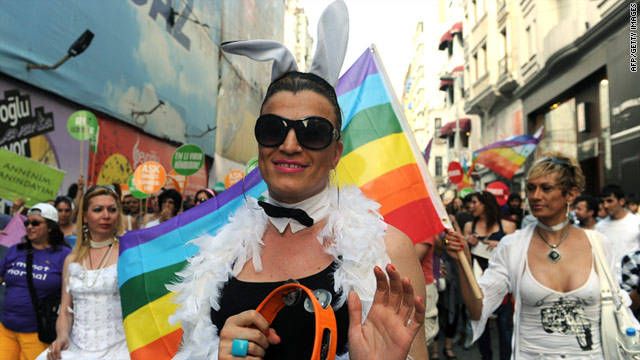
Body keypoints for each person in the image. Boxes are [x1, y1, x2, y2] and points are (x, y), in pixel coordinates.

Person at [169, 4, 427, 357]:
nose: (290, 145)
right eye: (273, 129)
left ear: (336, 152)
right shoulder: (217, 251)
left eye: (313, 133)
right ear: (259, 142)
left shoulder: (391, 250)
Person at [446, 152, 626, 359]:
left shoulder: (599, 244)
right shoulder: (512, 245)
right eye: (531, 188)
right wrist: (464, 261)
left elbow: (618, 306)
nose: (535, 196)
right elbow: (478, 309)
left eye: (546, 188)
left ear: (571, 194)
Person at [40, 185, 129, 360]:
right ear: (85, 217)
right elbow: (65, 311)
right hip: (76, 349)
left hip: (120, 349)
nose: (106, 215)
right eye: (98, 210)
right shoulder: (71, 260)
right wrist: (62, 336)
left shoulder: (128, 253)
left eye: (112, 210)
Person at [0, 203, 71, 360]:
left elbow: (72, 295)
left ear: (50, 227)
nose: (29, 227)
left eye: (36, 223)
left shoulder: (65, 255)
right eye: (27, 223)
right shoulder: (15, 250)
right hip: (5, 330)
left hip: (37, 333)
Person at [464, 191, 515, 360]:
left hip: (503, 282)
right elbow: (463, 257)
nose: (471, 206)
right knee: (482, 322)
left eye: (475, 202)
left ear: (486, 204)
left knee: (504, 325)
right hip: (478, 279)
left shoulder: (507, 226)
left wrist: (500, 245)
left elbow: (515, 254)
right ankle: (486, 357)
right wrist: (467, 243)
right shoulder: (469, 226)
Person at [595, 184, 640, 284]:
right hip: (610, 283)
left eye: (609, 201)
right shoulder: (599, 227)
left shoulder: (637, 222)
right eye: (603, 202)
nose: (605, 205)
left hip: (634, 281)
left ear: (622, 201)